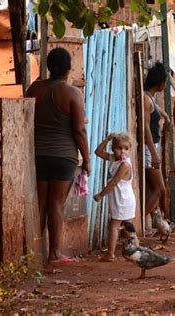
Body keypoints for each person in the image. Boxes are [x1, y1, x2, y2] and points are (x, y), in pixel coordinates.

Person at [26, 47, 91, 264]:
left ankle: (34, 254)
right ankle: (54, 253)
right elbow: (79, 130)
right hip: (63, 156)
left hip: (38, 155)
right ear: (69, 68)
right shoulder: (72, 93)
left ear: (48, 67)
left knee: (41, 205)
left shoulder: (34, 89)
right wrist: (87, 160)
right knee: (56, 204)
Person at [94, 133, 136, 262]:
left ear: (130, 150)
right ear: (113, 149)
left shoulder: (125, 165)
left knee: (114, 225)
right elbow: (98, 152)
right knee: (128, 227)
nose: (122, 151)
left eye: (126, 148)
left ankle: (110, 254)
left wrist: (101, 194)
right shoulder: (113, 158)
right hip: (121, 198)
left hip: (123, 199)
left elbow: (113, 182)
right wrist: (107, 139)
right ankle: (136, 250)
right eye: (119, 148)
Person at [143, 63, 170, 235]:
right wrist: (153, 153)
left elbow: (156, 110)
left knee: (153, 188)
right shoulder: (147, 100)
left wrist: (165, 115)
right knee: (160, 189)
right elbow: (145, 127)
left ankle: (146, 222)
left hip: (153, 146)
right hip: (149, 148)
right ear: (160, 83)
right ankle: (134, 223)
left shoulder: (150, 98)